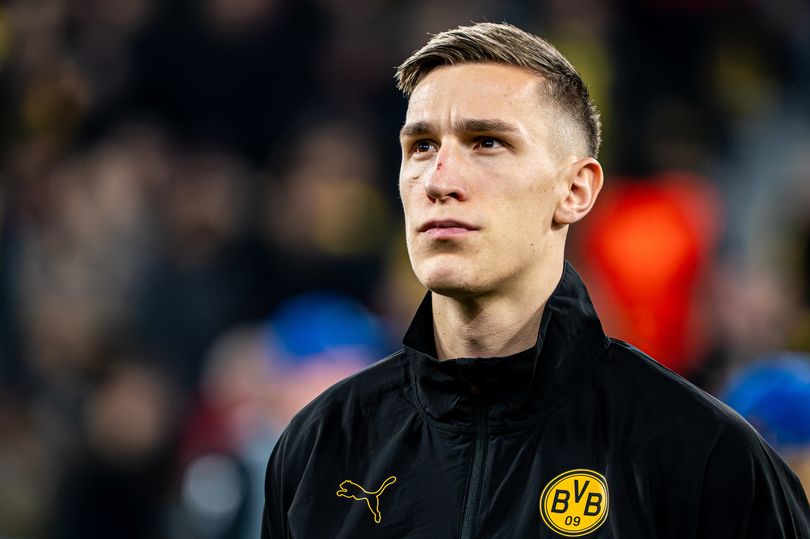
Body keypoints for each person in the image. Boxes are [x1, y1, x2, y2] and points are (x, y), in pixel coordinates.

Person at [261, 22, 810, 538]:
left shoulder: (701, 453)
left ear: (575, 191)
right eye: (422, 145)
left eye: (487, 142)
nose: (439, 179)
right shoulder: (319, 448)